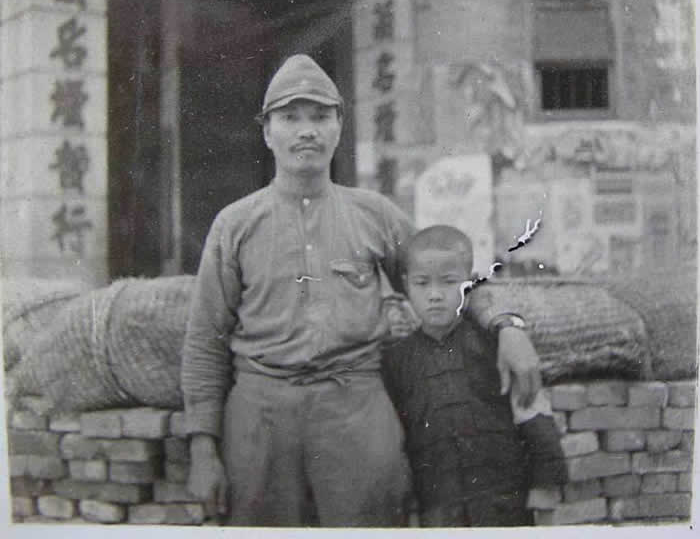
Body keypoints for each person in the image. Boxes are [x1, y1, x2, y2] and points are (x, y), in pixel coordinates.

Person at [181, 54, 544, 527]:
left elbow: (449, 277)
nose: (306, 131)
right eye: (290, 118)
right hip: (261, 410)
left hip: (354, 403)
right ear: (268, 132)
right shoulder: (234, 225)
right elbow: (205, 340)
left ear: (338, 127)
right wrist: (202, 448)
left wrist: (507, 326)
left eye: (320, 117)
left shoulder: (373, 214)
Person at [382, 225, 568, 528]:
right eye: (422, 283)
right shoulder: (397, 361)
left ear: (469, 284)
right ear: (406, 286)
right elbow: (398, 442)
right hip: (440, 512)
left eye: (448, 282)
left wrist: (544, 490)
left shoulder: (495, 344)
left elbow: (532, 414)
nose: (435, 295)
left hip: (506, 505)